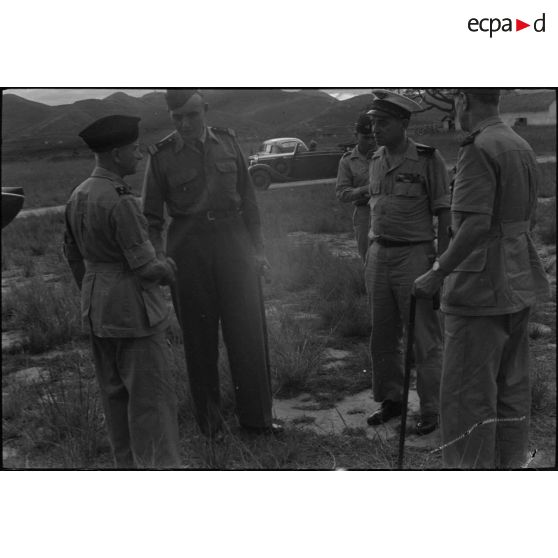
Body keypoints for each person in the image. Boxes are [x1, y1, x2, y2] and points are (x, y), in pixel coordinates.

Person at [413, 88, 550, 468]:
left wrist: (438, 272)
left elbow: (473, 224)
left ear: (463, 101)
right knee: (511, 387)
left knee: (465, 396)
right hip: (518, 277)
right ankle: (509, 466)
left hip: (479, 289)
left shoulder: (478, 147)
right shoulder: (518, 143)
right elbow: (530, 218)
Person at [142, 89, 281, 437]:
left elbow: (249, 201)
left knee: (248, 332)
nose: (185, 124)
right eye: (177, 118)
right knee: (199, 339)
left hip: (234, 242)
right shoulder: (160, 156)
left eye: (192, 115)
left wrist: (259, 249)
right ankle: (211, 425)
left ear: (205, 110)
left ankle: (257, 419)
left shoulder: (228, 143)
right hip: (188, 250)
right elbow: (151, 218)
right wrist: (159, 258)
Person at [63, 115, 181, 468]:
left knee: (115, 397)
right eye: (133, 149)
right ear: (116, 154)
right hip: (133, 314)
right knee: (152, 402)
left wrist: (96, 290)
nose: (139, 155)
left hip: (97, 309)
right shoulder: (121, 200)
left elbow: (72, 256)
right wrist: (169, 269)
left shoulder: (78, 194)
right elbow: (146, 267)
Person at [364, 89, 451, 435]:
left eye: (382, 122)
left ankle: (431, 408)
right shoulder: (375, 159)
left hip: (414, 255)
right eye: (373, 123)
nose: (375, 129)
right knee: (382, 333)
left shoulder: (428, 160)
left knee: (424, 337)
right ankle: (392, 399)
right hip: (378, 254)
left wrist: (441, 266)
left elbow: (444, 213)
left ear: (403, 122)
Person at [335, 114, 377, 262]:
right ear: (356, 136)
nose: (371, 141)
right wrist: (365, 189)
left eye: (373, 137)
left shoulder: (385, 155)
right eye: (366, 137)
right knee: (368, 260)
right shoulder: (348, 160)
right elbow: (341, 193)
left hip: (388, 212)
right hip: (364, 214)